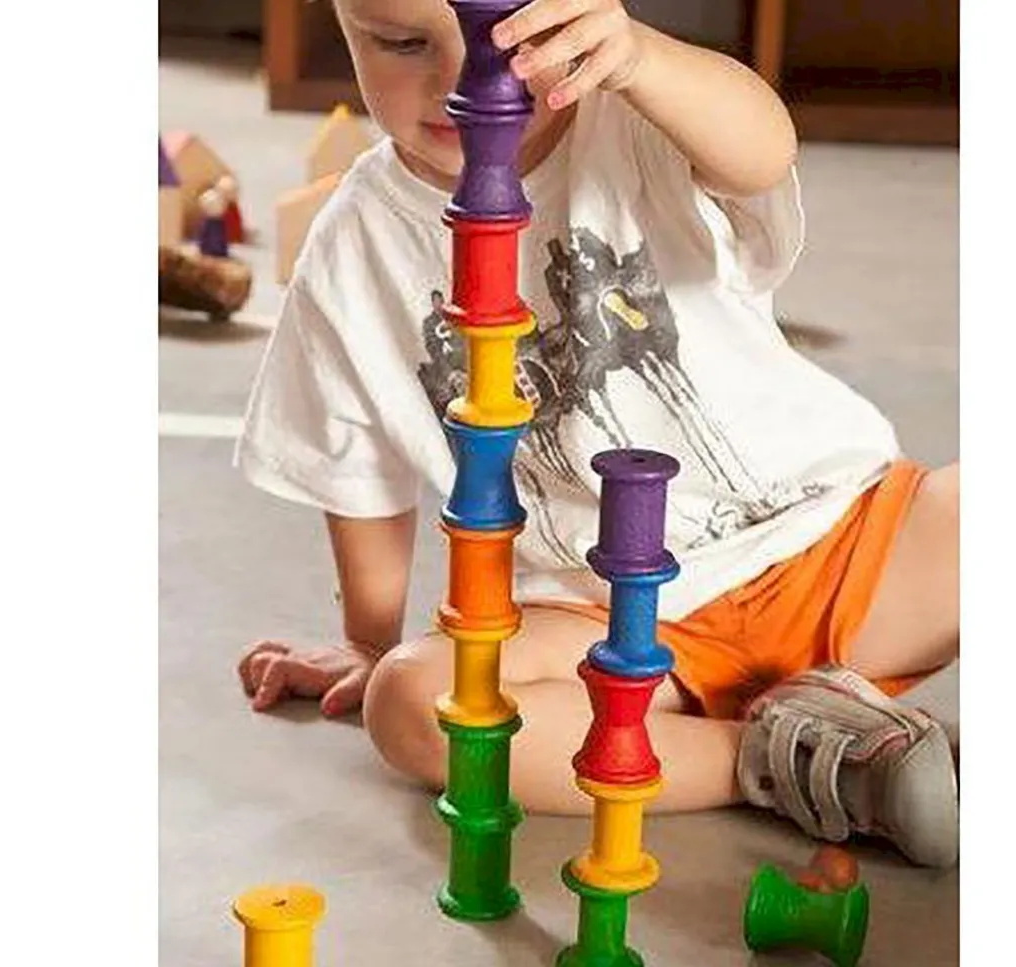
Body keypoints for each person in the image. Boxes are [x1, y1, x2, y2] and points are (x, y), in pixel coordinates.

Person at [235, 0, 960, 868]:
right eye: (402, 43)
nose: (467, 78)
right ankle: (783, 755)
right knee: (418, 705)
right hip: (614, 632)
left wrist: (642, 59)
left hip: (842, 542)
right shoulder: (353, 243)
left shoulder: (638, 125)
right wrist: (369, 640)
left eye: (517, 36)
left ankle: (833, 728)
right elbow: (352, 463)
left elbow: (764, 150)